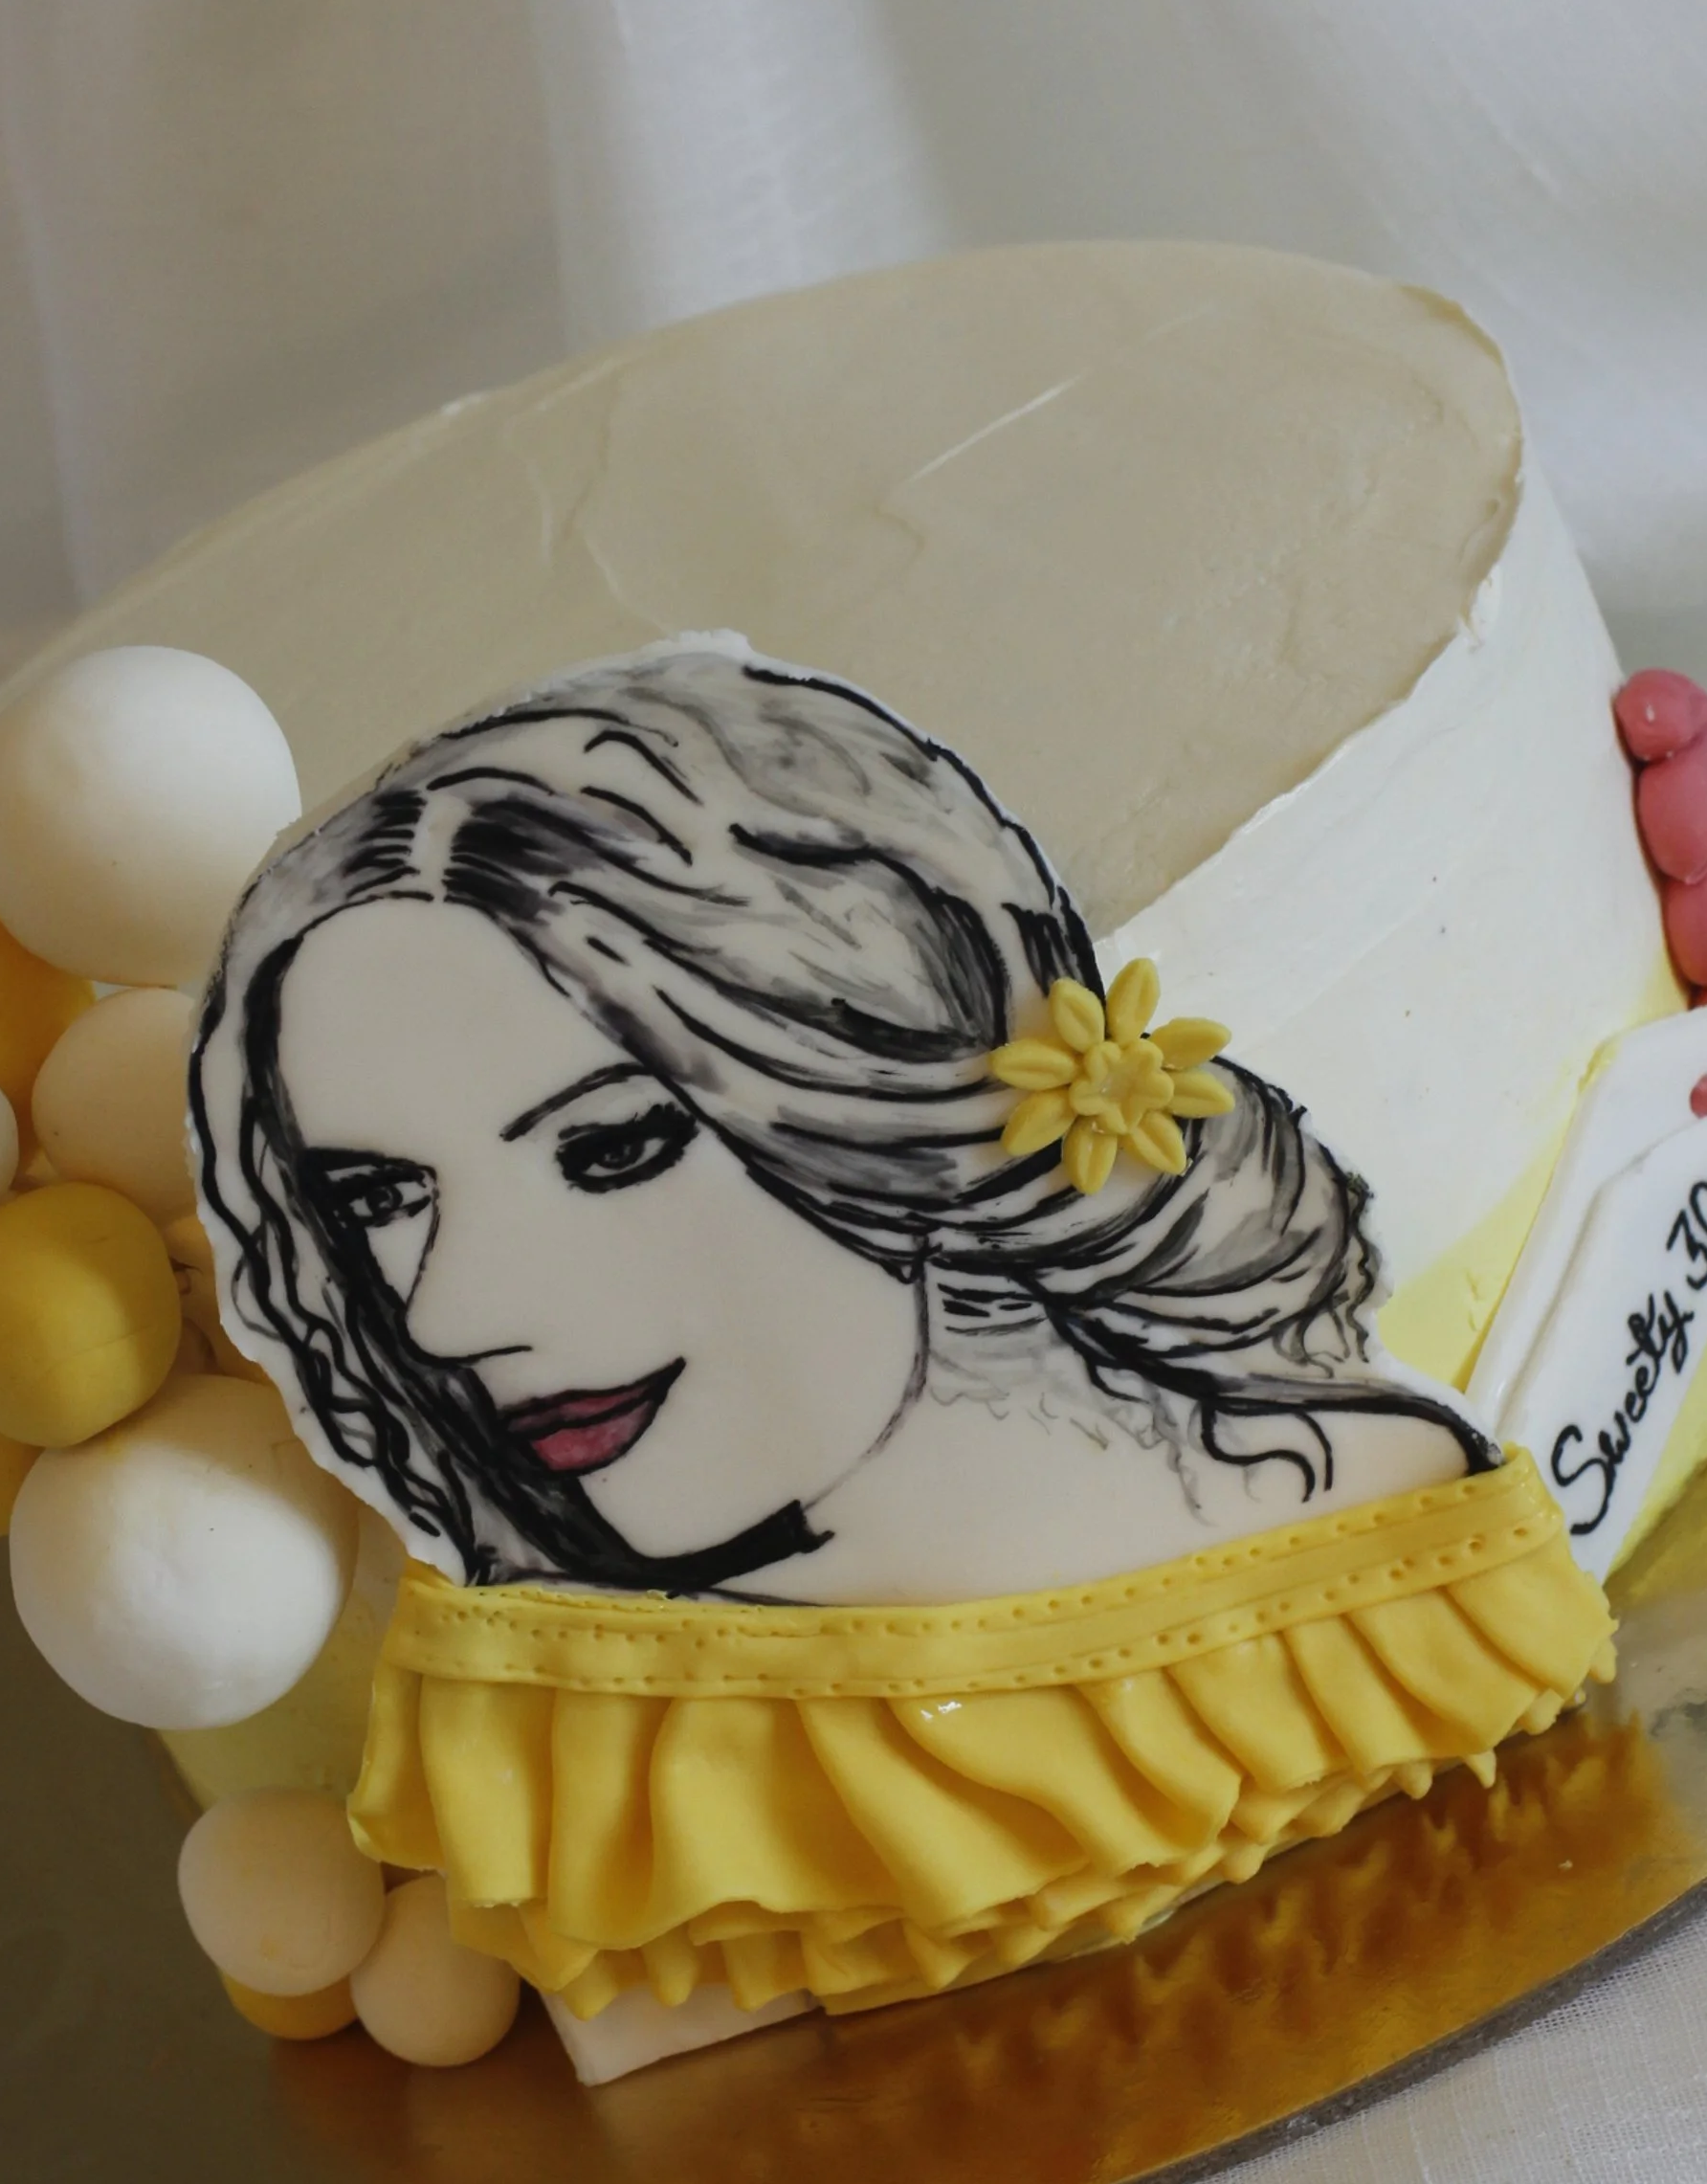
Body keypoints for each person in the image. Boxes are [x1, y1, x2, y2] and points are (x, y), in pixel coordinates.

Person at [191, 640, 1485, 1601]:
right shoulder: (636, 1762)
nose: (444, 1317)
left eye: (612, 1148)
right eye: (378, 1199)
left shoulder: (1389, 1517)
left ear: (887, 1100)